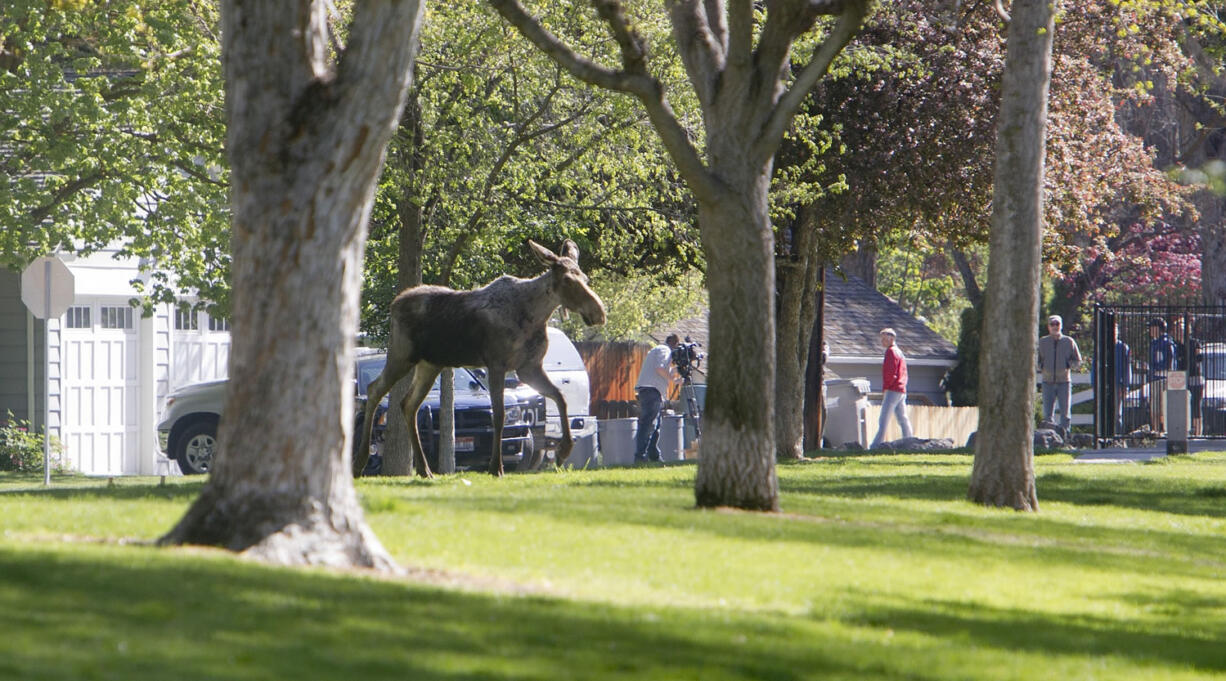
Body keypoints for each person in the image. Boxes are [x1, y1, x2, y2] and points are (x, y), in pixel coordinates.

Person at [633, 334, 680, 463]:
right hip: (651, 390)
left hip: (651, 390)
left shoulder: (658, 351)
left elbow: (665, 370)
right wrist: (673, 380)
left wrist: (677, 371)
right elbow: (659, 369)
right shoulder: (664, 350)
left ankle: (654, 456)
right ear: (673, 343)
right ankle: (640, 457)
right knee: (648, 424)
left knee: (655, 426)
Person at [1037, 315, 1082, 432]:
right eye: (1052, 324)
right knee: (1047, 414)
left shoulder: (1069, 341)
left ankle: (1065, 438)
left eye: (1057, 324)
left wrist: (1068, 365)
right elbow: (1035, 359)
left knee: (1065, 414)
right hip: (1047, 382)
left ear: (1061, 326)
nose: (1055, 327)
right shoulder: (1042, 342)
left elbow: (1078, 361)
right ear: (1048, 327)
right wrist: (1042, 367)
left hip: (1064, 382)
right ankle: (1049, 438)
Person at [870, 328, 912, 448]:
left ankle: (875, 446)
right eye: (881, 338)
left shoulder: (891, 352)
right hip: (901, 390)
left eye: (884, 338)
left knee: (883, 419)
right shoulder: (900, 353)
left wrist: (886, 388)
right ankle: (909, 441)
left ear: (892, 338)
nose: (882, 341)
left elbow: (890, 373)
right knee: (903, 418)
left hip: (892, 389)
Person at [1147, 317, 1176, 432]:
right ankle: (1155, 431)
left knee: (1163, 407)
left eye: (1152, 327)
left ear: (1158, 328)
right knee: (1155, 407)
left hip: (1163, 378)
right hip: (1155, 378)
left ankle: (1164, 431)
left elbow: (1169, 363)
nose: (1149, 330)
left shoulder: (1166, 343)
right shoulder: (1154, 343)